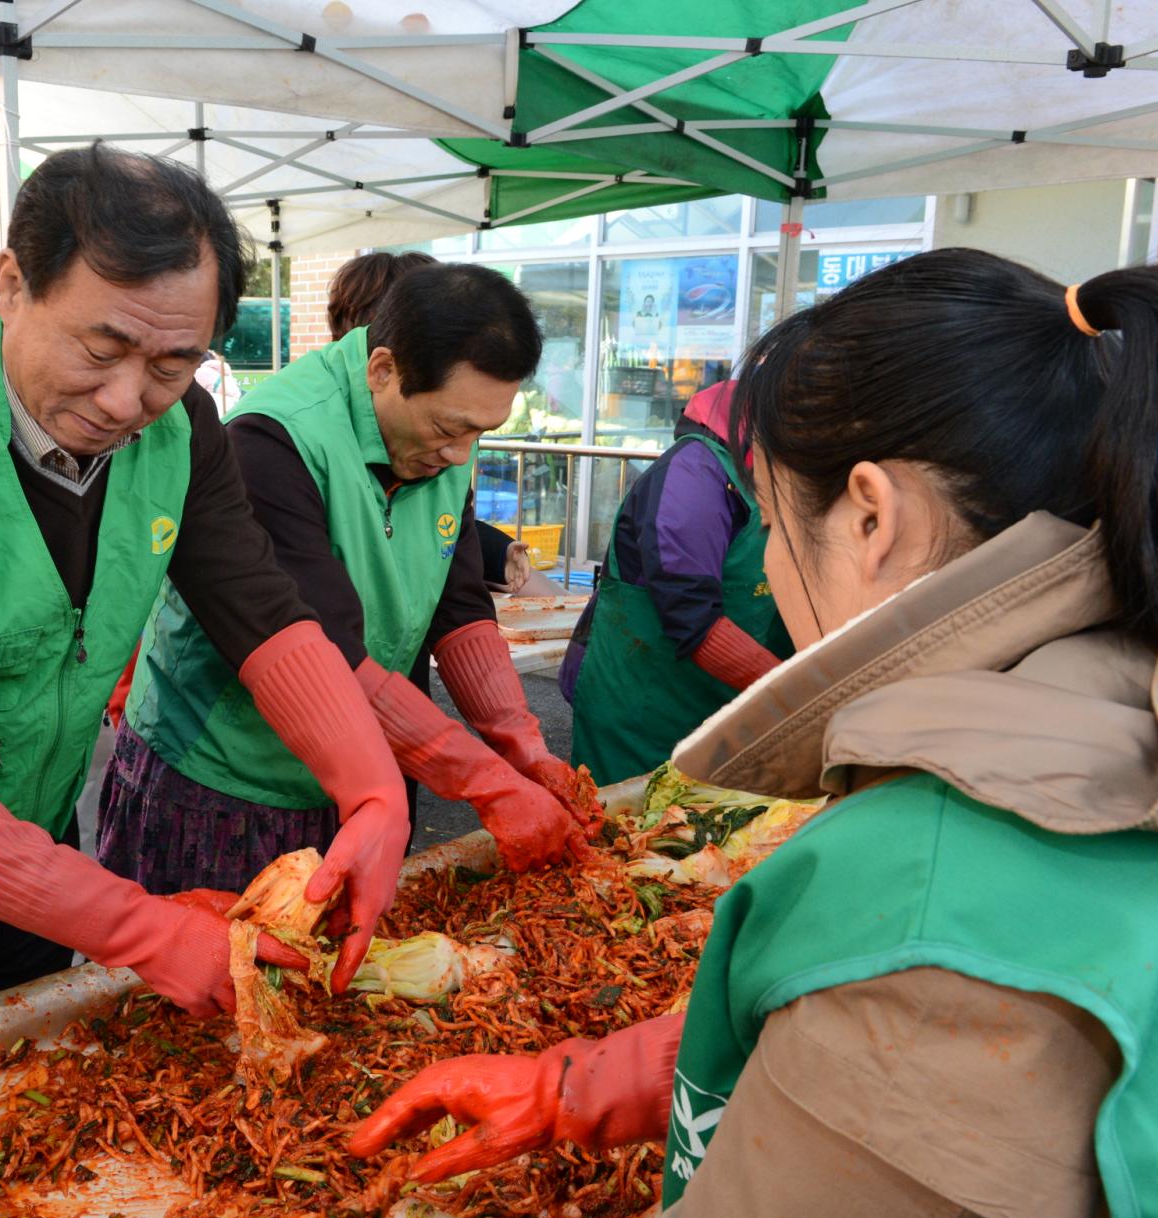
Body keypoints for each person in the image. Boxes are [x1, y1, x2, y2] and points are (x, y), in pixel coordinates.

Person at [296, 248, 1158, 1218]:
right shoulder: (1110, 717)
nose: (762, 564)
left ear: (871, 513)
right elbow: (868, 1064)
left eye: (775, 518)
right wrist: (580, 1086)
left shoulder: (924, 878)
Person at [0, 143, 410, 1056]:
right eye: (101, 350)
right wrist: (146, 930)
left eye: (175, 364)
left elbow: (260, 608)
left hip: (39, 853)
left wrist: (374, 790)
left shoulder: (182, 429)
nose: (127, 400)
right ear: (14, 284)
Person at [99, 263, 594, 899]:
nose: (462, 456)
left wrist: (524, 748)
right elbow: (326, 656)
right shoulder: (272, 441)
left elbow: (460, 602)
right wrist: (486, 783)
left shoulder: (439, 432)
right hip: (223, 779)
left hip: (363, 778)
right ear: (383, 371)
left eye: (481, 432)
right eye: (450, 429)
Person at [560, 379, 792, 784]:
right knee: (622, 836)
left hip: (723, 708)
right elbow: (693, 616)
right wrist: (797, 696)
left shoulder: (781, 472)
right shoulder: (696, 474)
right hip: (644, 710)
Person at [330, 251, 559, 597]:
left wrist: (497, 551)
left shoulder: (450, 424)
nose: (459, 454)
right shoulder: (310, 438)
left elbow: (442, 526)